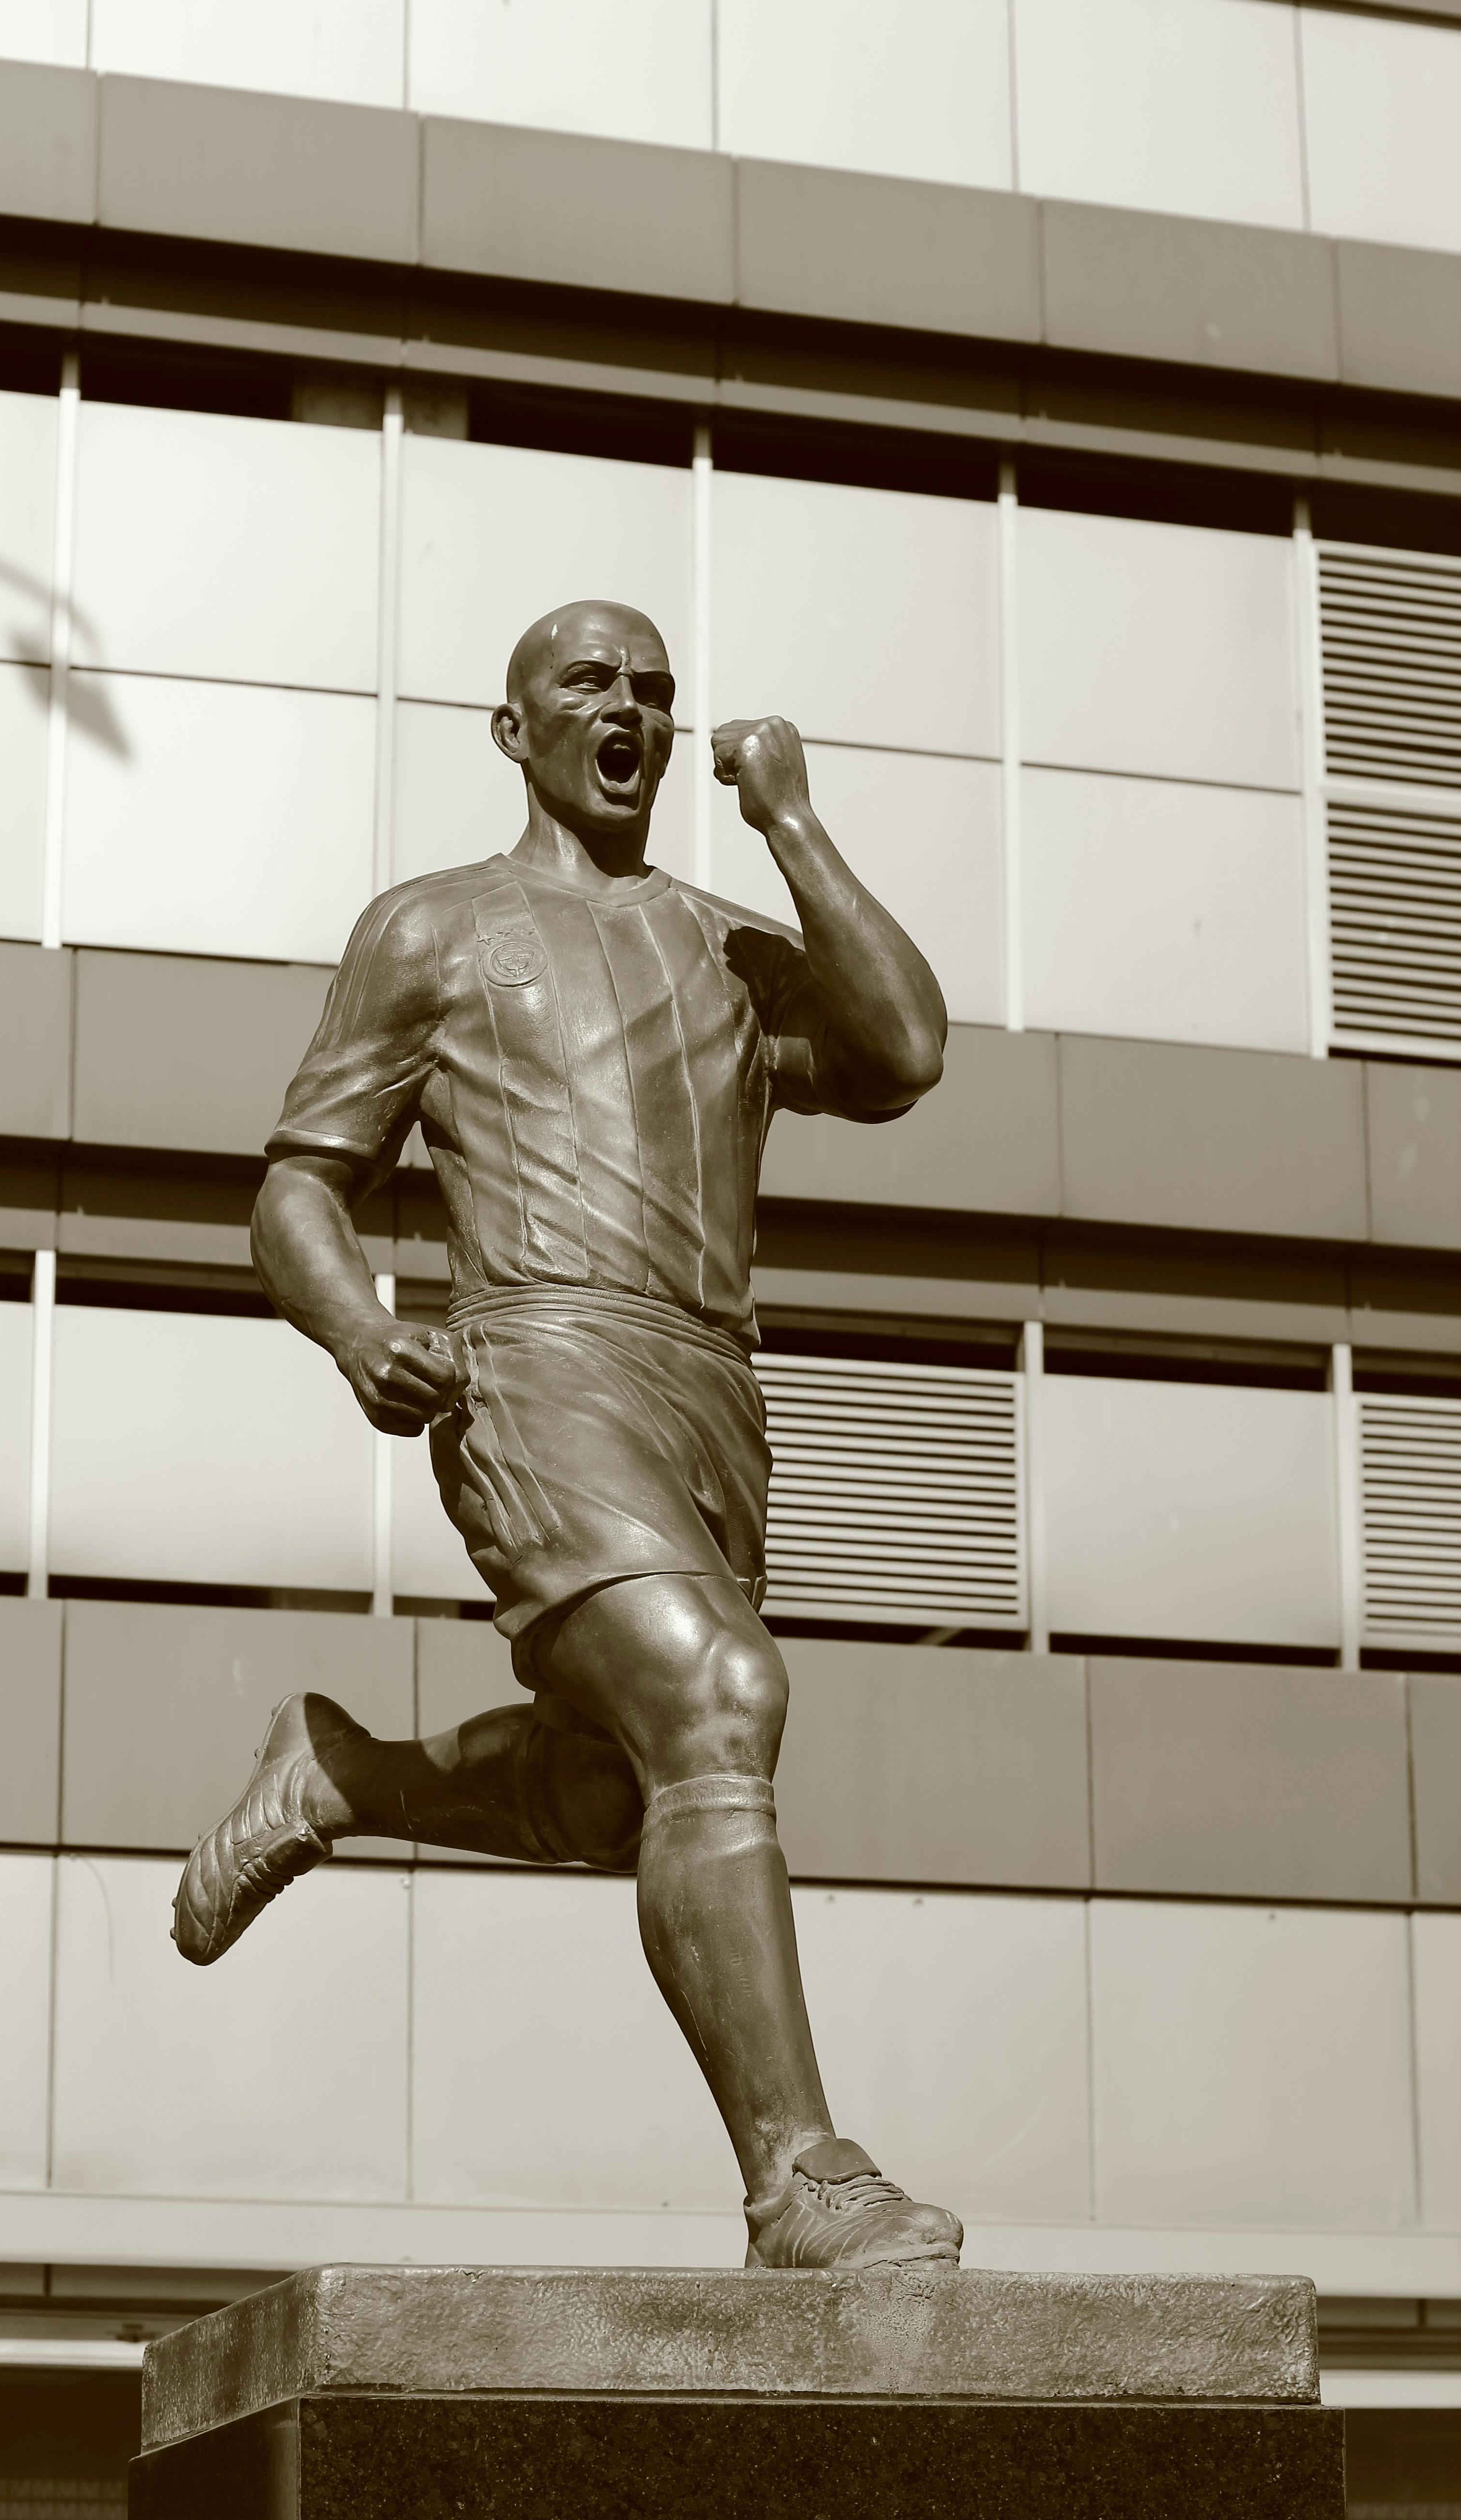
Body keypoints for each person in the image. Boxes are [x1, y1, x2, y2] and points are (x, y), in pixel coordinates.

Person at [173, 597, 960, 2271]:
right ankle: (802, 2179)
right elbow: (298, 1184)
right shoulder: (437, 929)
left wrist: (796, 823)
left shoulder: (729, 945)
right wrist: (360, 1327)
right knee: (718, 1697)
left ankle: (347, 1776)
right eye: (590, 684)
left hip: (707, 1390)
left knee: (624, 1789)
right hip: (532, 1366)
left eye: (656, 693)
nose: (633, 712)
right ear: (513, 728)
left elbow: (902, 1048)